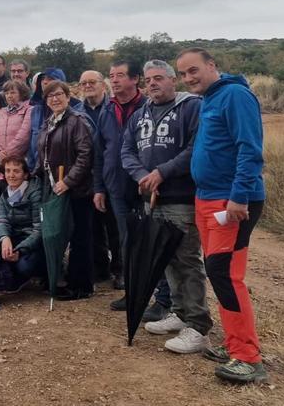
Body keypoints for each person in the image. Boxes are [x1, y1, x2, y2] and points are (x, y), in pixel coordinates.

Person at [177, 48, 268, 384]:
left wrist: (239, 196)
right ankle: (234, 344)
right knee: (219, 273)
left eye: (194, 70)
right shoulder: (210, 99)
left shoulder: (234, 95)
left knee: (225, 274)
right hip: (207, 199)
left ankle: (247, 357)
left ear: (212, 66)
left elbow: (249, 148)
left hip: (230, 203)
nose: (189, 78)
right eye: (184, 73)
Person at [120, 59, 212, 354]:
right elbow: (127, 151)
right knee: (166, 259)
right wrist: (142, 176)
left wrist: (162, 172)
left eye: (159, 78)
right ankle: (180, 313)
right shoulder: (140, 114)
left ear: (174, 80)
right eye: (148, 80)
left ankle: (198, 326)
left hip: (181, 197)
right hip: (151, 198)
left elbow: (194, 149)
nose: (152, 84)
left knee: (186, 261)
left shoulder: (191, 108)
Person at [93, 61, 160, 314]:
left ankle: (160, 298)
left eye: (120, 75)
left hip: (145, 185)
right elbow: (100, 153)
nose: (115, 80)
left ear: (135, 79)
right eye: (111, 76)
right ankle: (134, 293)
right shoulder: (107, 110)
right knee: (126, 240)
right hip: (116, 186)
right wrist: (99, 187)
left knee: (150, 241)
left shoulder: (149, 107)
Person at [36, 80, 94, 300]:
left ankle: (81, 286)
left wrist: (69, 181)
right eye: (50, 96)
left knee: (80, 237)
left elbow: (85, 155)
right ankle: (58, 277)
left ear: (69, 97)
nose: (55, 99)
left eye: (59, 94)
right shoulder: (49, 122)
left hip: (76, 189)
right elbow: (43, 155)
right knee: (57, 234)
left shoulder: (77, 121)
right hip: (54, 187)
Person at [78, 70, 120, 286]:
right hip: (87, 177)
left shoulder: (114, 108)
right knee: (93, 226)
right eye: (83, 83)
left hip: (113, 174)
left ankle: (120, 270)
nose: (87, 86)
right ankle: (100, 268)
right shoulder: (76, 112)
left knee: (115, 225)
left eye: (91, 82)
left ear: (103, 85)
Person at [0, 156, 44, 291]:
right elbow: (2, 220)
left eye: (16, 171)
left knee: (24, 266)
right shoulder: (6, 193)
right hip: (13, 236)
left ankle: (32, 274)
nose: (11, 175)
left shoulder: (34, 193)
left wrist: (20, 250)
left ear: (25, 174)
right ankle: (4, 274)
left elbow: (39, 229)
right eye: (8, 171)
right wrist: (4, 238)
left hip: (31, 241)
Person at [26, 68, 69, 170]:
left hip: (61, 170)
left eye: (50, 79)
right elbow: (32, 139)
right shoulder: (36, 110)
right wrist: (31, 166)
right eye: (43, 79)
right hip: (38, 168)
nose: (45, 81)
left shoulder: (74, 109)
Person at [0, 80, 33, 162]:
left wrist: (7, 154)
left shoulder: (29, 110)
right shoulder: (2, 111)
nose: (9, 96)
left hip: (19, 160)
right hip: (1, 160)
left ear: (22, 93)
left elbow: (24, 135)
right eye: (6, 93)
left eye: (12, 93)